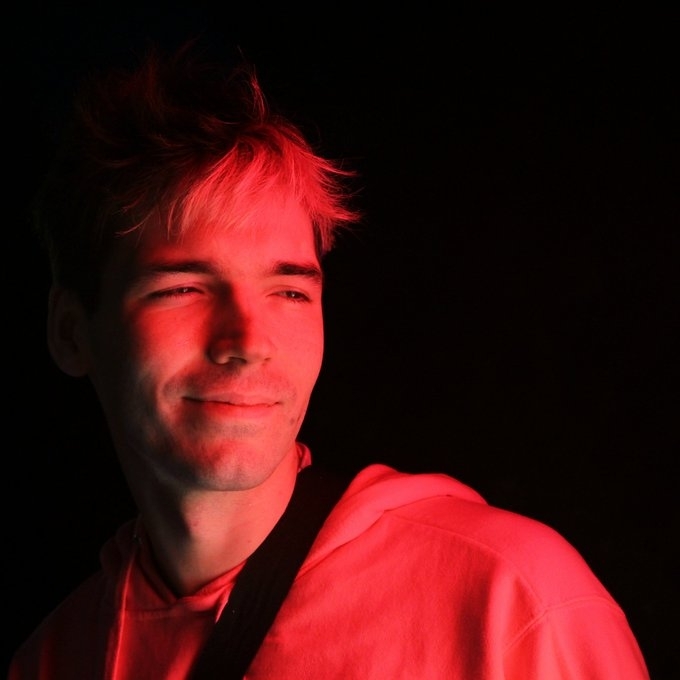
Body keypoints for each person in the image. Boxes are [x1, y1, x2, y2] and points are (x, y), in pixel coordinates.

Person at [9, 40, 650, 680]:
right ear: (71, 333)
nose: (248, 341)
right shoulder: (53, 660)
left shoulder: (512, 600)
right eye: (183, 288)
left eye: (289, 292)